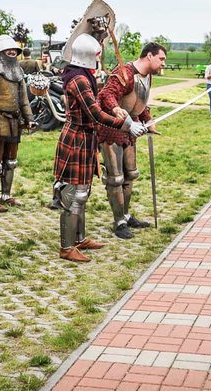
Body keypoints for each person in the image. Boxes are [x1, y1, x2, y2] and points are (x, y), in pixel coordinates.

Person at [53, 34, 147, 262]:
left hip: (85, 137)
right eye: (96, 54)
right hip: (76, 137)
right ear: (87, 56)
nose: (98, 58)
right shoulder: (78, 80)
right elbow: (95, 113)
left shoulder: (83, 75)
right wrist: (126, 125)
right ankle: (67, 247)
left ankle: (79, 239)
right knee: (72, 193)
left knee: (83, 193)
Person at [98, 42, 165, 240]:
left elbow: (139, 102)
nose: (163, 63)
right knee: (116, 178)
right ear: (149, 56)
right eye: (161, 59)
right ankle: (118, 222)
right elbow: (106, 96)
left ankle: (125, 215)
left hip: (130, 131)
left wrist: (147, 120)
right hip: (112, 130)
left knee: (130, 175)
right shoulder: (124, 72)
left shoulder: (147, 76)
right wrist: (123, 117)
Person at [0, 35, 35, 213]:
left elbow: (24, 99)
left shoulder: (18, 71)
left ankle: (6, 195)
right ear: (0, 51)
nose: (12, 52)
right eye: (8, 50)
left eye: (14, 50)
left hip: (15, 122)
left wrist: (29, 119)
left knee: (10, 162)